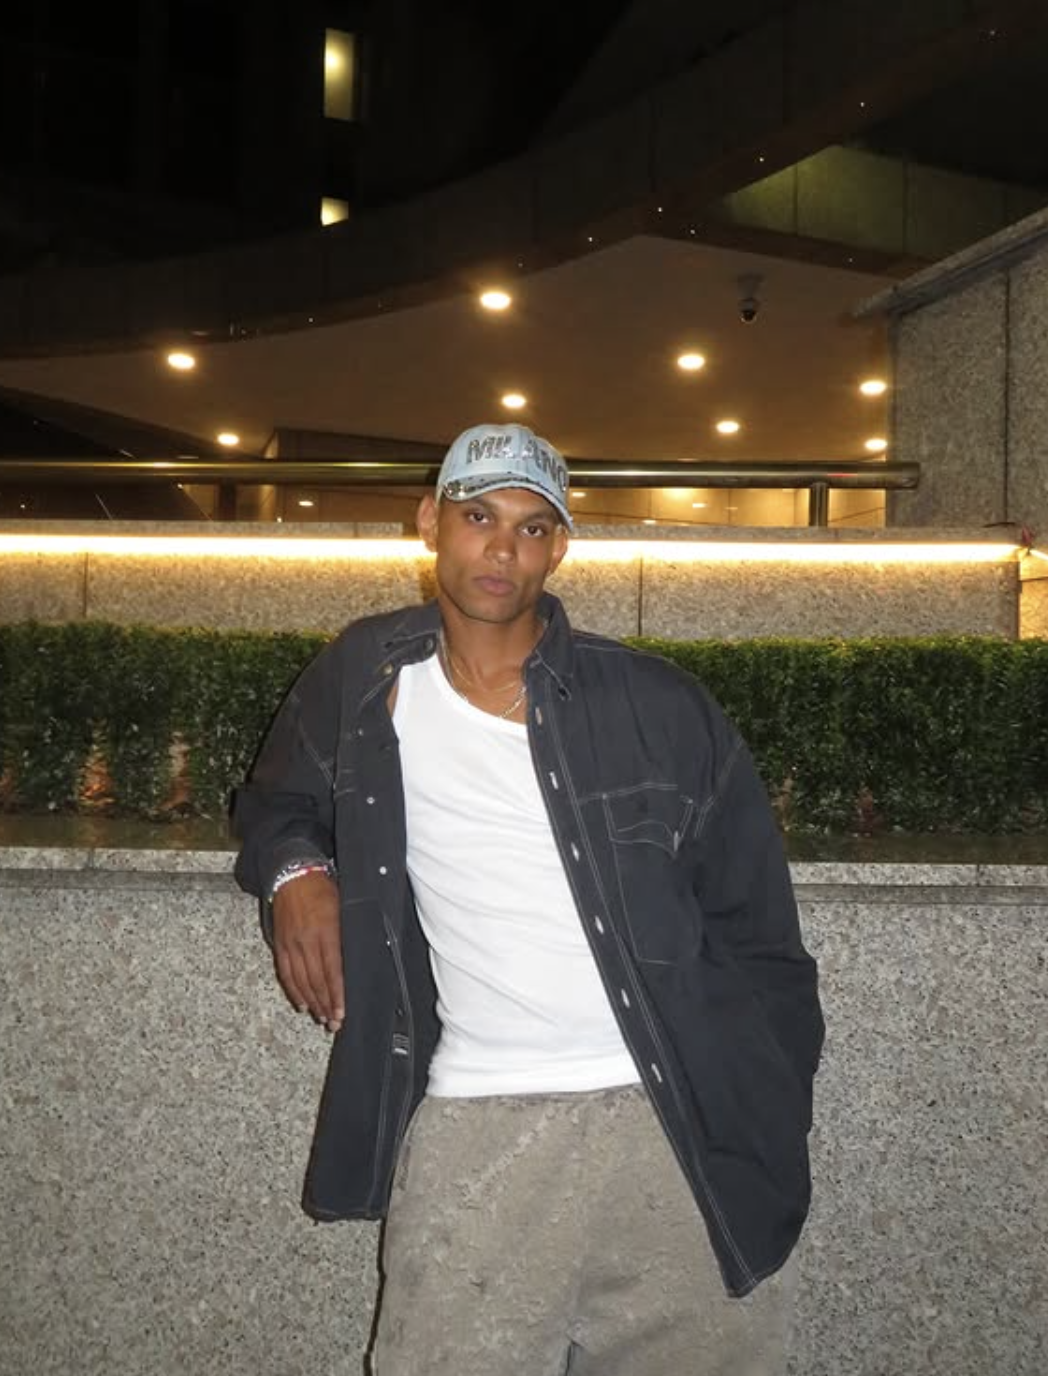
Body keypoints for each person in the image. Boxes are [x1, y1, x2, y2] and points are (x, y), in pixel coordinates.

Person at [233, 423, 825, 1376]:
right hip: (479, 1123)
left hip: (674, 1126)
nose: (502, 547)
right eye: (478, 516)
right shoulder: (365, 678)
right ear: (430, 522)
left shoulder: (661, 705)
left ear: (560, 546)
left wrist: (767, 1103)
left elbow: (761, 934)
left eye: (532, 526)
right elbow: (277, 803)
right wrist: (299, 877)